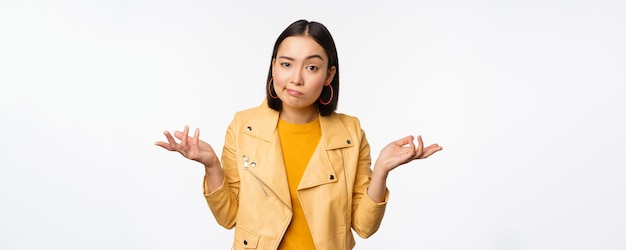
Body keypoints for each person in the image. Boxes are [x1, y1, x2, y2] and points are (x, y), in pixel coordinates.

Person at [155, 19, 442, 249]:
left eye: (312, 67)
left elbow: (364, 227)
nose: (296, 78)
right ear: (273, 66)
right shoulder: (244, 126)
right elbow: (229, 217)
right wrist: (211, 165)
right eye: (286, 64)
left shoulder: (350, 132)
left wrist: (380, 171)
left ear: (328, 75)